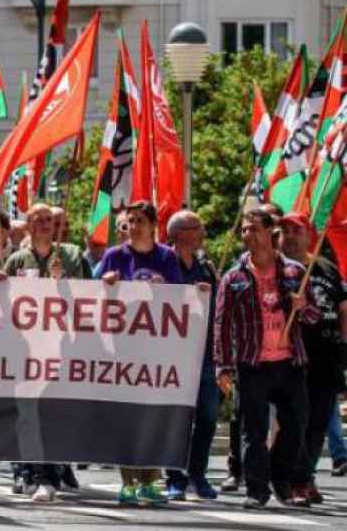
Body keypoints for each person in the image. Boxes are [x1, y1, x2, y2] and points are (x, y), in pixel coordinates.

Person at [214, 209, 311, 510]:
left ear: (271, 232)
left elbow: (313, 316)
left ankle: (281, 481)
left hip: (289, 361)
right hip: (252, 362)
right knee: (252, 431)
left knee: (296, 425)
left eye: (254, 229)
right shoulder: (234, 277)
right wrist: (223, 365)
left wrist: (303, 305)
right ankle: (256, 490)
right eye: (244, 230)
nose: (248, 236)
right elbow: (222, 323)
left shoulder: (295, 272)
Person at [0, 203, 90, 502]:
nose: (44, 224)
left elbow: (91, 296)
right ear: (27, 225)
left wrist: (63, 281)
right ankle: (27, 470)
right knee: (25, 413)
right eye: (37, 219)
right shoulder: (15, 260)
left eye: (49, 220)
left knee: (51, 412)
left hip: (60, 347)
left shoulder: (71, 256)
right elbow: (3, 301)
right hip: (24, 349)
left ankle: (49, 476)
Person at [94, 201, 183, 506]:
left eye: (140, 220)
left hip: (156, 353)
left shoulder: (166, 257)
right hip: (122, 350)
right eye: (130, 221)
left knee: (151, 417)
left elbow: (182, 300)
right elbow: (90, 296)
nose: (134, 226)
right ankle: (128, 482)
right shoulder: (114, 256)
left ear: (153, 225)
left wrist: (168, 288)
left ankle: (150, 481)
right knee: (127, 417)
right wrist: (104, 284)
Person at [276, 214, 346, 506]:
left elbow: (343, 308)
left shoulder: (327, 268)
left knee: (318, 422)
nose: (291, 236)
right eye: (285, 231)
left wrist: (344, 346)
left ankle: (304, 478)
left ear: (310, 235)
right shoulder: (277, 269)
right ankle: (290, 479)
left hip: (327, 355)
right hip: (293, 356)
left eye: (297, 230)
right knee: (295, 420)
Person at [162, 210, 221, 501]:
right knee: (175, 418)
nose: (203, 233)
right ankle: (174, 476)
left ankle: (197, 474)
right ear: (183, 233)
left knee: (208, 417)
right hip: (172, 355)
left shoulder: (206, 268)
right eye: (198, 227)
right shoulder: (163, 264)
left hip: (205, 354)